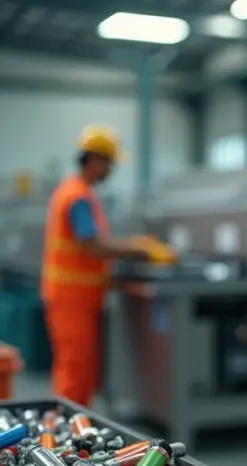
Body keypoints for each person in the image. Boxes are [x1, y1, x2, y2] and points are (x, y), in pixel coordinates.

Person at [40, 126, 150, 407]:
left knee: (81, 369)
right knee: (74, 370)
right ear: (94, 160)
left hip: (77, 297)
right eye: (109, 163)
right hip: (71, 299)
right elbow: (92, 245)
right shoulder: (77, 196)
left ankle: (77, 425)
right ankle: (65, 429)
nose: (111, 170)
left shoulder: (79, 193)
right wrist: (138, 248)